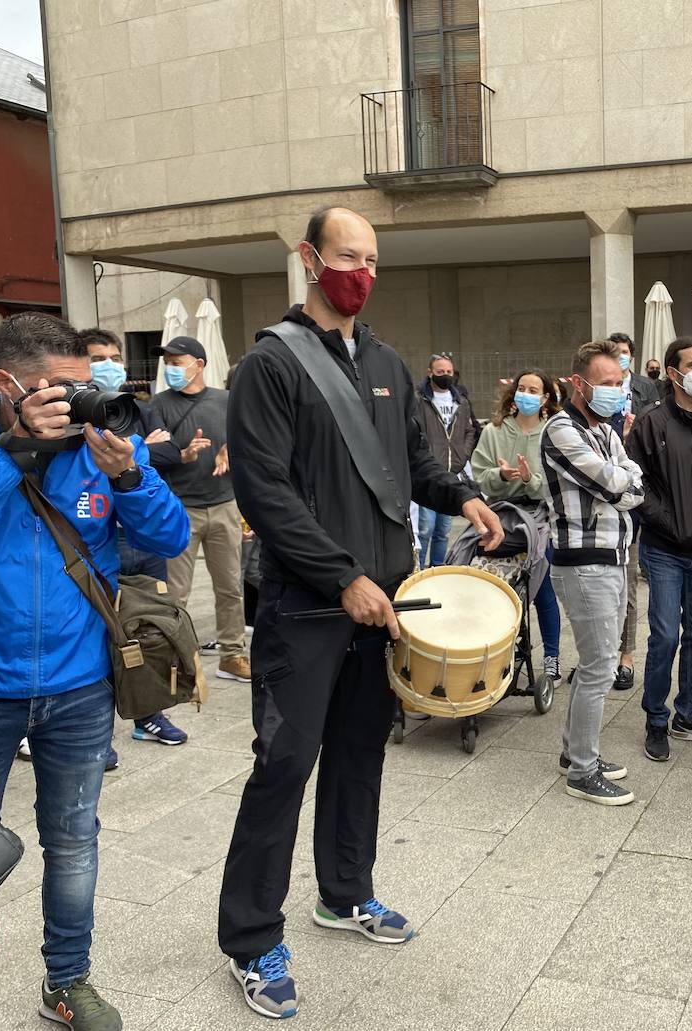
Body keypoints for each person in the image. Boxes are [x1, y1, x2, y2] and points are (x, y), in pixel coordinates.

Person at [219, 206, 501, 1018]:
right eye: (350, 256)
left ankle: (344, 892)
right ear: (309, 259)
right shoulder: (270, 365)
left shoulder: (385, 360)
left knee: (358, 756)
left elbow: (412, 464)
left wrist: (465, 493)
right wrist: (340, 576)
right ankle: (250, 937)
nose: (364, 272)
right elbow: (263, 491)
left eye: (374, 259)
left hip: (385, 607)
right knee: (282, 768)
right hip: (307, 609)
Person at [0, 312, 190, 1031]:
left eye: (86, 388)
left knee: (73, 841)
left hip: (78, 686)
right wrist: (13, 450)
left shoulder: (102, 443)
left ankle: (67, 980)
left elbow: (170, 535)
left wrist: (131, 475)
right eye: (60, 392)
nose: (80, 406)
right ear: (8, 385)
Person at [541, 338, 644, 805]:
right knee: (601, 666)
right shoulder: (561, 430)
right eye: (608, 383)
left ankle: (575, 751)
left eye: (621, 382)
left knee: (596, 662)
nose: (618, 390)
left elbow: (631, 480)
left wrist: (622, 482)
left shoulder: (604, 430)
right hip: (584, 562)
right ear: (578, 383)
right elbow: (611, 481)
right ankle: (582, 772)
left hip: (612, 555)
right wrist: (622, 482)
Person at [626, 337, 692, 761]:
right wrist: (668, 521)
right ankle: (656, 718)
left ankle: (690, 713)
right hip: (664, 548)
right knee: (665, 636)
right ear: (673, 373)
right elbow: (637, 483)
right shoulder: (651, 423)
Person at [81, 327, 191, 745]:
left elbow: (170, 452)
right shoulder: (63, 421)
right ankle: (94, 733)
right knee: (96, 632)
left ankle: (149, 712)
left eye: (113, 357)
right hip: (97, 538)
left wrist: (150, 449)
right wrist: (150, 448)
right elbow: (155, 450)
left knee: (145, 627)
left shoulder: (131, 407)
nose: (108, 367)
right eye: (97, 359)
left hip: (141, 534)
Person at [149, 335, 252, 684]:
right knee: (176, 592)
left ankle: (232, 654)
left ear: (200, 364)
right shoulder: (158, 405)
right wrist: (183, 455)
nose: (172, 368)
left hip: (224, 504)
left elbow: (251, 439)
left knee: (230, 586)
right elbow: (150, 457)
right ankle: (175, 659)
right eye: (169, 363)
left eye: (178, 362)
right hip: (179, 508)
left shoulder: (227, 400)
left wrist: (230, 450)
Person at [470, 368, 563, 683]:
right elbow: (479, 474)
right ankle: (492, 651)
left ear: (546, 398)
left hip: (540, 517)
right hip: (500, 515)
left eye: (533, 390)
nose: (526, 394)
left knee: (542, 588)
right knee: (487, 582)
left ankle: (552, 657)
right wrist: (500, 476)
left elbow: (557, 484)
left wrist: (529, 479)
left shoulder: (554, 432)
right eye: (522, 388)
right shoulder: (494, 432)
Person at [606, 331, 659, 690]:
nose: (621, 359)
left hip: (633, 499)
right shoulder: (598, 391)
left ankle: (625, 656)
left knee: (626, 587)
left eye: (625, 353)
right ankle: (600, 656)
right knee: (600, 591)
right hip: (600, 501)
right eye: (615, 354)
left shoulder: (646, 389)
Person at [415, 351, 479, 567]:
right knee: (425, 528)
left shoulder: (461, 400)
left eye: (449, 372)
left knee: (444, 531)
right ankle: (420, 571)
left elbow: (471, 430)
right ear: (430, 373)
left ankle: (438, 568)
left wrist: (463, 454)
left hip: (453, 473)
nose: (445, 375)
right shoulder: (420, 400)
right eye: (440, 371)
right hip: (431, 473)